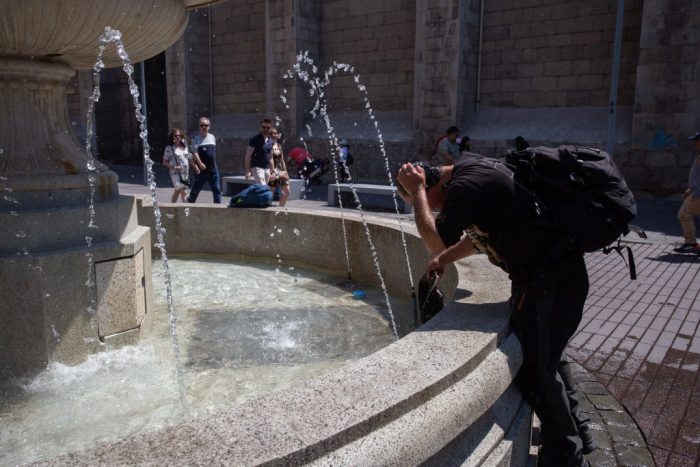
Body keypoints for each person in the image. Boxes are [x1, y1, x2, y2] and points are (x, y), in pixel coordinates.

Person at [396, 157, 593, 467]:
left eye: (419, 201)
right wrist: (446, 258)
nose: (429, 210)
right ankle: (579, 430)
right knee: (549, 355)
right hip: (554, 278)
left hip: (550, 283)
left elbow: (434, 240)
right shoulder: (473, 171)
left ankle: (566, 456)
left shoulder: (463, 186)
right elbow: (477, 239)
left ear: (432, 186)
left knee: (534, 370)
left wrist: (417, 191)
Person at [673, 131, 700, 253]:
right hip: (696, 192)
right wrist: (691, 189)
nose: (694, 143)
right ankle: (691, 243)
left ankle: (691, 243)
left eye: (696, 140)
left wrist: (696, 191)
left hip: (698, 194)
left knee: (684, 215)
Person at [187, 117, 221, 204]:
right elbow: (194, 152)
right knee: (196, 188)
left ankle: (218, 207)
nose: (204, 127)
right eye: (202, 125)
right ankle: (190, 203)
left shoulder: (212, 137)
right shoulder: (195, 138)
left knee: (216, 189)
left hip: (213, 168)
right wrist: (200, 163)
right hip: (201, 169)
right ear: (199, 126)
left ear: (209, 126)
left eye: (206, 125)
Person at [162, 128, 197, 203]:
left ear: (182, 137)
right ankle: (185, 209)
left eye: (179, 136)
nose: (178, 137)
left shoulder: (185, 147)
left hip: (185, 173)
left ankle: (172, 207)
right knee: (183, 190)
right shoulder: (169, 148)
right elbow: (164, 162)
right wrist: (173, 167)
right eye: (176, 136)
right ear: (173, 137)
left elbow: (189, 157)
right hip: (175, 174)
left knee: (177, 190)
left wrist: (195, 166)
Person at [245, 118, 273, 185]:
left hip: (267, 168)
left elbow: (271, 157)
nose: (265, 129)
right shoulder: (254, 139)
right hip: (257, 167)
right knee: (262, 187)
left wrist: (273, 171)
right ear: (261, 127)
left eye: (268, 127)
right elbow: (248, 156)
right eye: (264, 127)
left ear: (270, 128)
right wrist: (247, 171)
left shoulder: (270, 141)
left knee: (264, 189)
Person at [268, 128, 291, 207]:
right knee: (271, 192)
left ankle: (281, 208)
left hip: (280, 172)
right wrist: (272, 172)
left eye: (274, 133)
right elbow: (271, 159)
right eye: (271, 134)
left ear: (277, 135)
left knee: (287, 191)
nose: (273, 135)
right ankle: (267, 208)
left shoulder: (278, 146)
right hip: (273, 172)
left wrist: (285, 171)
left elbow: (282, 160)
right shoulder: (268, 146)